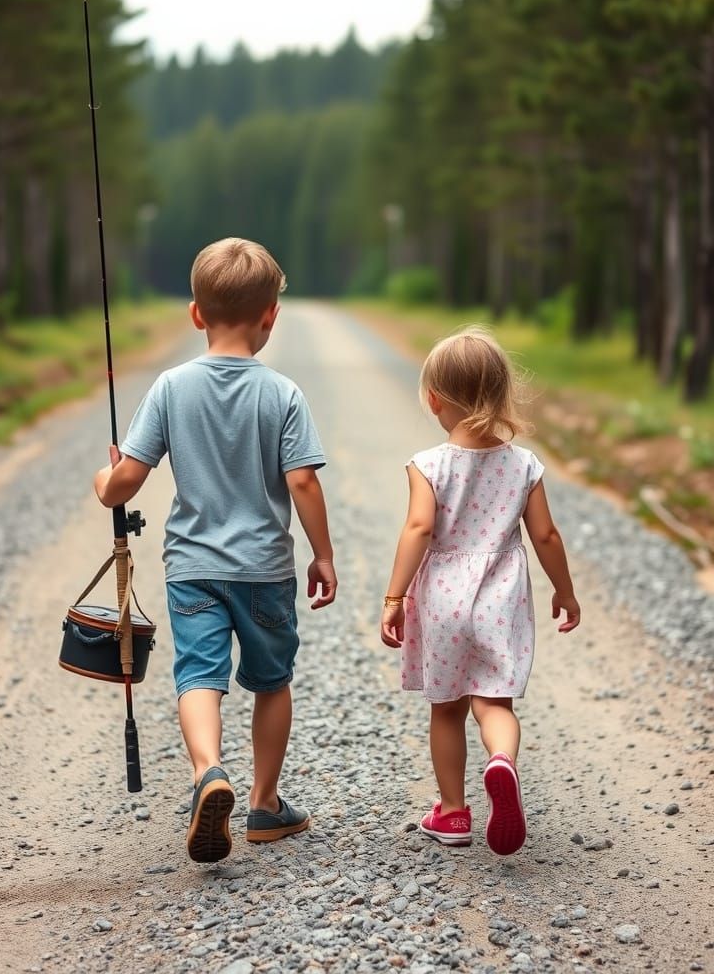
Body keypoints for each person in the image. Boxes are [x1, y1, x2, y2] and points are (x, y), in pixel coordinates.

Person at [94, 237, 337, 864]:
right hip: (264, 571)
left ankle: (209, 772)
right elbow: (303, 481)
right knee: (271, 681)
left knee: (199, 677)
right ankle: (263, 802)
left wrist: (105, 480)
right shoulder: (282, 394)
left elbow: (124, 483)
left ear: (196, 314)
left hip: (193, 569)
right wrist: (323, 554)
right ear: (271, 317)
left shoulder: (171, 388)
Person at [380, 326, 580, 856]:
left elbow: (419, 530)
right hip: (500, 596)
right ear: (499, 395)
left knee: (445, 707)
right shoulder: (524, 465)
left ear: (434, 399)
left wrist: (394, 596)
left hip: (443, 597)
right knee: (494, 702)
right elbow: (545, 535)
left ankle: (450, 813)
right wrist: (565, 591)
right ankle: (502, 763)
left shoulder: (428, 464)